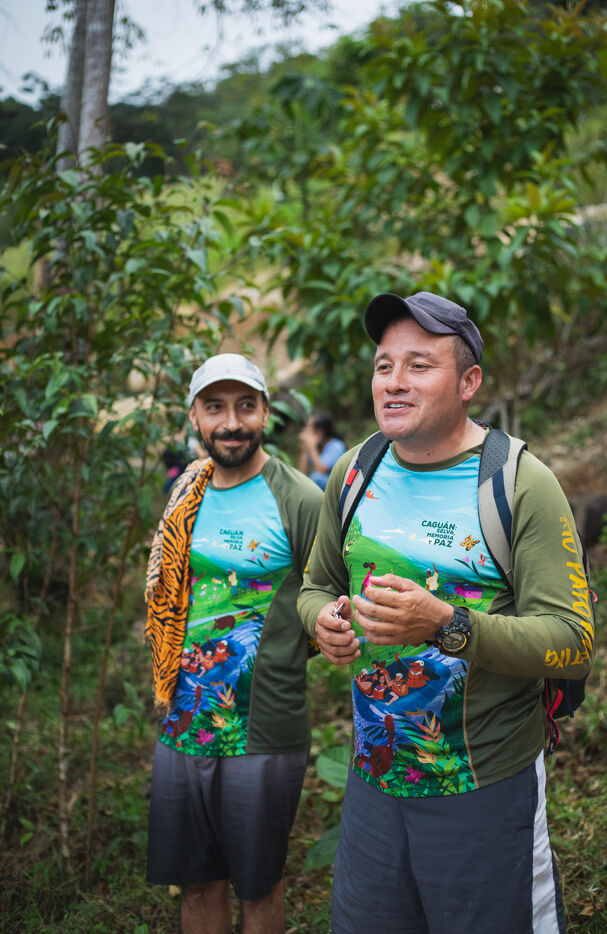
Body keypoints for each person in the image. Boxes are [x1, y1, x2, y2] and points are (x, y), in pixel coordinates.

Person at [297, 291, 594, 934]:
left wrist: (445, 625)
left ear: (468, 382)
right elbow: (315, 586)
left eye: (418, 365)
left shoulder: (519, 484)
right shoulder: (353, 472)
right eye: (383, 366)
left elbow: (572, 642)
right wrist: (321, 623)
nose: (394, 382)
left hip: (484, 785)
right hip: (375, 779)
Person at [144, 352, 323, 934]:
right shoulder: (185, 496)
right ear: (194, 418)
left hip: (263, 728)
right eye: (215, 408)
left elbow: (327, 601)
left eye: (246, 406)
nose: (231, 422)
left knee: (258, 887)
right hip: (183, 718)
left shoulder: (299, 499)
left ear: (266, 414)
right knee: (196, 882)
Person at [298, 410, 347, 490]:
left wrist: (312, 447)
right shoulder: (319, 446)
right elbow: (302, 474)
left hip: (338, 488)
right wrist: (305, 450)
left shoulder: (336, 446)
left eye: (309, 427)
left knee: (315, 478)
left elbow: (321, 470)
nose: (306, 431)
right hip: (325, 487)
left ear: (320, 432)